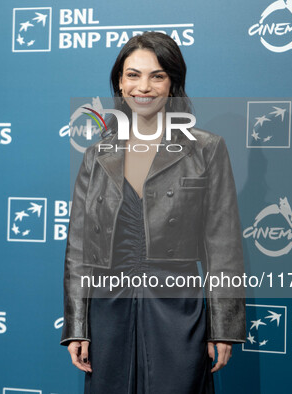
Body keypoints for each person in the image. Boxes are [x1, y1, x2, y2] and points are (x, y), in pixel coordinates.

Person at [61, 31, 246, 394]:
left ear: (173, 83)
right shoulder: (97, 155)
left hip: (177, 309)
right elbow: (79, 250)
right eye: (133, 75)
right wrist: (77, 326)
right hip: (108, 312)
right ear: (119, 81)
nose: (142, 87)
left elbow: (222, 245)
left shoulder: (205, 150)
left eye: (156, 75)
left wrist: (223, 326)